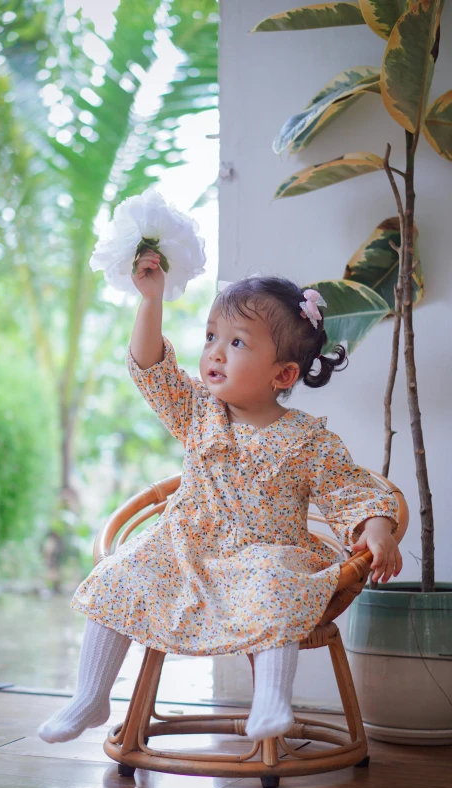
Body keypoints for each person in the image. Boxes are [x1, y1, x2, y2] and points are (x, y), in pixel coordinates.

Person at [38, 250, 402, 745]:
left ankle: (272, 699)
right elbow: (151, 369)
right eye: (211, 336)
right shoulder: (198, 413)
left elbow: (351, 491)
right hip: (186, 552)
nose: (214, 351)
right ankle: (90, 695)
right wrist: (151, 299)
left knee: (276, 585)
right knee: (120, 573)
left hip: (264, 556)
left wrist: (376, 527)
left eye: (235, 342)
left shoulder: (308, 440)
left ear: (283, 375)